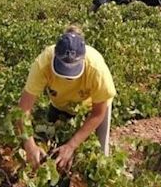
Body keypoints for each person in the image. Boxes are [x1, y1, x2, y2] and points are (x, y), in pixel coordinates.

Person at [17, 26, 116, 171]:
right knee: (51, 151)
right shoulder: (43, 63)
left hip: (91, 108)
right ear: (55, 55)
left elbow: (98, 113)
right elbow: (23, 109)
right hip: (59, 104)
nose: (67, 77)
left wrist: (72, 145)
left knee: (101, 154)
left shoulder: (97, 69)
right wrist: (30, 145)